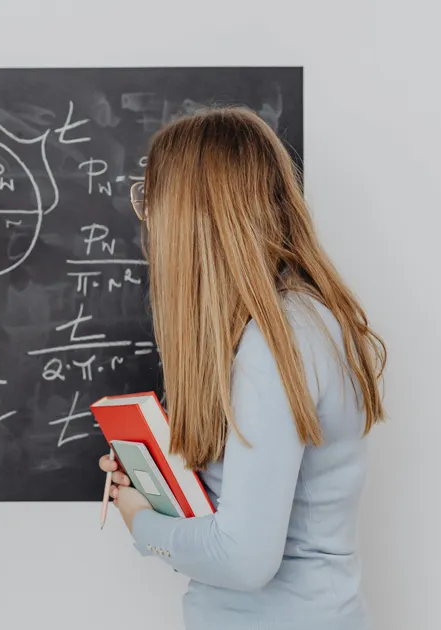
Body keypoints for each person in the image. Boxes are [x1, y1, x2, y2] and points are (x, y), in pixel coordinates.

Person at [99, 106, 387, 629]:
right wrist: (160, 480)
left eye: (153, 202)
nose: (150, 226)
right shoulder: (305, 324)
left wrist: (140, 522)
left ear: (191, 216)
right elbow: (260, 498)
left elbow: (244, 558)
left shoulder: (273, 346)